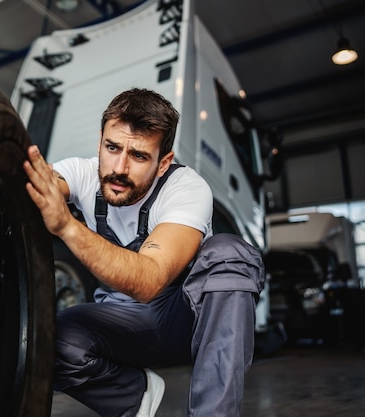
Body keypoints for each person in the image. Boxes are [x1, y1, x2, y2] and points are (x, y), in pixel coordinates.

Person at [23, 88, 265, 417]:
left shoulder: (186, 189)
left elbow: (150, 279)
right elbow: (40, 185)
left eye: (138, 156)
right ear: (101, 141)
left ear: (164, 162)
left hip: (184, 322)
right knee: (43, 342)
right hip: (123, 326)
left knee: (230, 253)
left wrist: (66, 225)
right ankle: (132, 395)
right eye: (112, 148)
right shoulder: (83, 173)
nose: (119, 167)